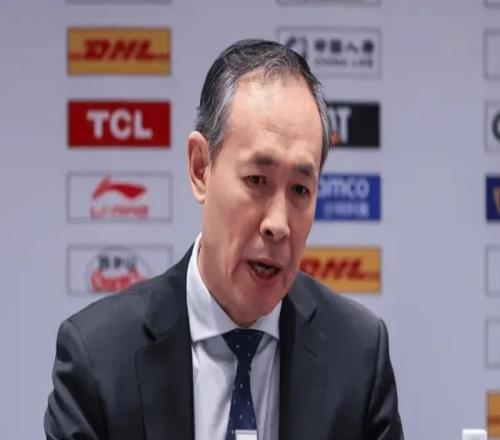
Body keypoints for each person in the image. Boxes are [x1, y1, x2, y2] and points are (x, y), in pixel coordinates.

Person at [45, 39, 404, 440]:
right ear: (200, 168)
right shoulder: (98, 359)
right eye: (257, 180)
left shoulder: (357, 357)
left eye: (300, 189)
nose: (278, 224)